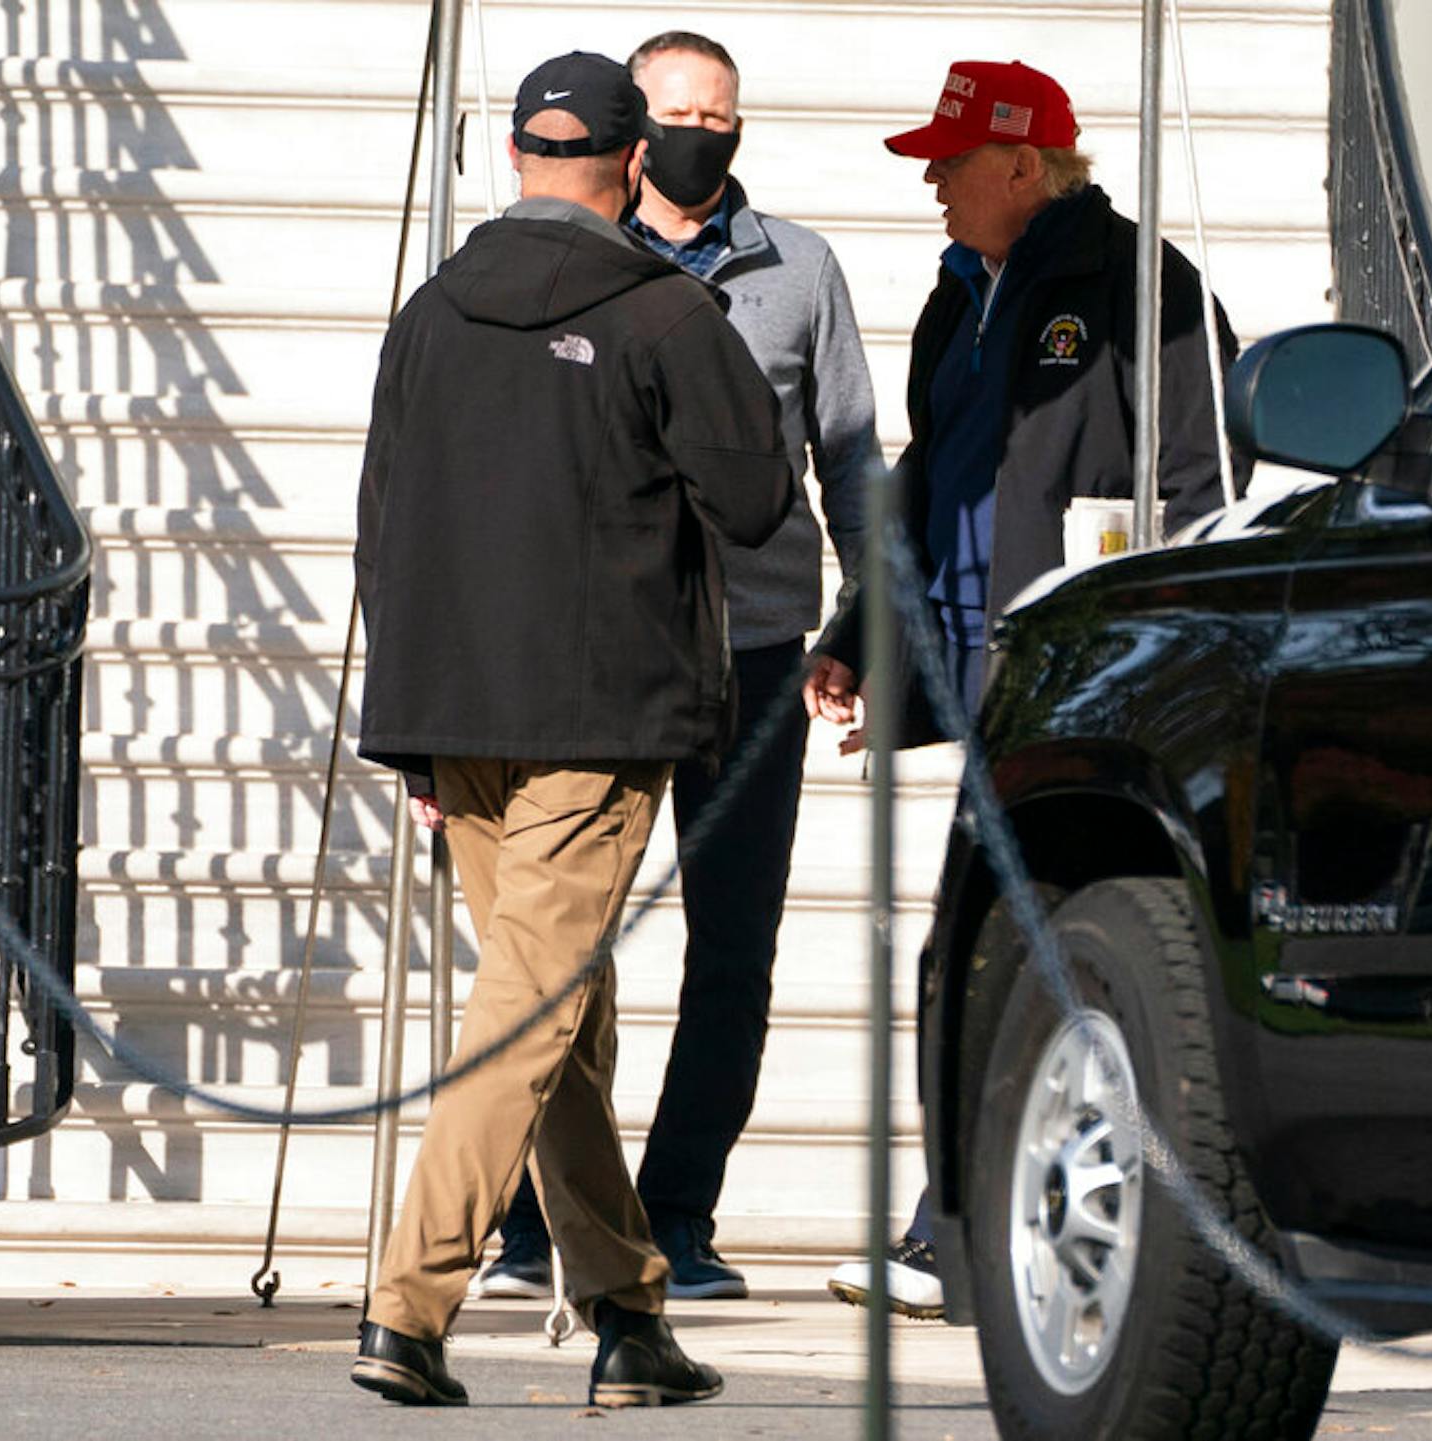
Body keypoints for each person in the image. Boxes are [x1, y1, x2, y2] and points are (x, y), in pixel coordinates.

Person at [348, 51, 792, 1407]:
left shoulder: (428, 310)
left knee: (560, 1020)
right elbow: (761, 498)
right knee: (532, 1009)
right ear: (635, 161)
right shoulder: (665, 312)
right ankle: (407, 1307)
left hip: (457, 708)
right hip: (595, 717)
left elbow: (384, 519)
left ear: (514, 156)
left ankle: (626, 1316)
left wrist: (410, 727)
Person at [803, 59, 1238, 1316]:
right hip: (985, 673)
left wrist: (1156, 654)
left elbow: (1208, 480)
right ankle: (962, 1231)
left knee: (1017, 952)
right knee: (996, 952)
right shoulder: (957, 300)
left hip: (1085, 676)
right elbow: (927, 484)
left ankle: (964, 1236)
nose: (932, 183)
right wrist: (861, 633)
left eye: (949, 162)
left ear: (1023, 167)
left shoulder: (1140, 289)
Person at [473, 29, 881, 1305]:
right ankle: (543, 1223)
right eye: (681, 112)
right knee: (562, 943)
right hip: (599, 652)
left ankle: (680, 1214)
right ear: (629, 134)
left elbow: (853, 456)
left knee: (735, 945)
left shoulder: (799, 268)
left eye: (726, 113)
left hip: (753, 653)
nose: (707, 133)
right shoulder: (557, 258)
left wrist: (868, 619)